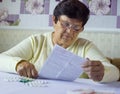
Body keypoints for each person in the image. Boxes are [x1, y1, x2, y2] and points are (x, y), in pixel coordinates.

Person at [0, 0, 119, 82]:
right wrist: (18, 64)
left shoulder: (85, 46)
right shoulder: (36, 41)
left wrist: (102, 73)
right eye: (65, 24)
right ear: (54, 20)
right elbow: (2, 59)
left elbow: (115, 72)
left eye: (76, 28)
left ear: (81, 28)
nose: (69, 32)